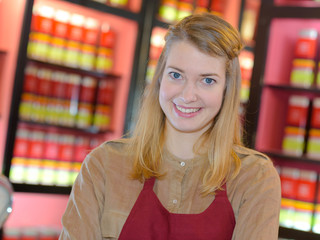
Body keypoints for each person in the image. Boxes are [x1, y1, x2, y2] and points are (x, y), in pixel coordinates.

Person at [59, 13, 281, 240]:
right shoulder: (103, 165)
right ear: (159, 79)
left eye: (207, 80)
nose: (187, 95)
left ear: (227, 90)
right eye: (176, 75)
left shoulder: (254, 178)